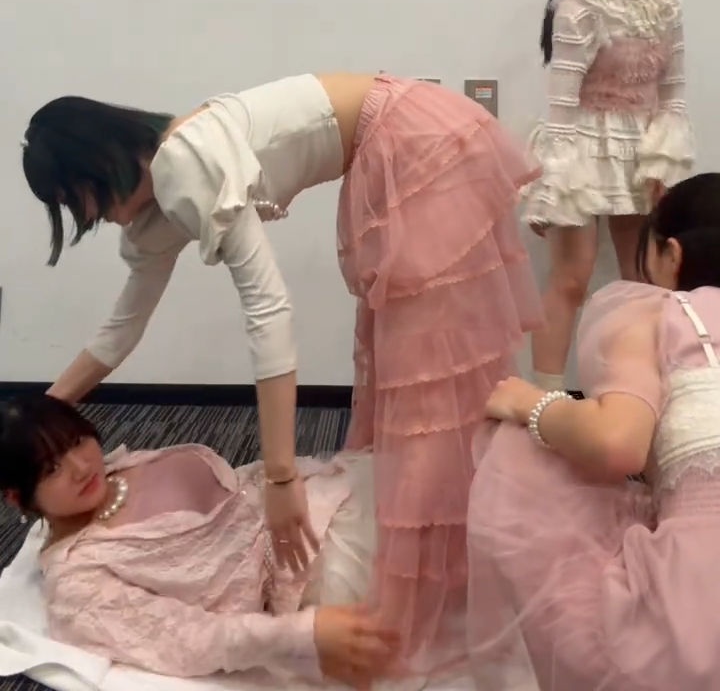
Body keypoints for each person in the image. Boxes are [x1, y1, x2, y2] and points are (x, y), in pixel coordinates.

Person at [22, 72, 543, 664]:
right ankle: (442, 570)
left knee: (428, 374)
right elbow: (121, 329)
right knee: (416, 374)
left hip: (414, 137)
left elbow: (268, 311)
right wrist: (36, 419)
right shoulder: (154, 212)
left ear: (91, 167)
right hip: (393, 144)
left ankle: (438, 592)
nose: (85, 216)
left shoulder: (183, 162)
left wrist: (280, 476)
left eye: (73, 201)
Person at [467, 173, 720, 691]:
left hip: (698, 609)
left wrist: (533, 403)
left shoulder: (662, 315)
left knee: (519, 448)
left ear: (671, 255)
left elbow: (617, 444)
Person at [0, 394, 398, 687]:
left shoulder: (116, 468)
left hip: (318, 491)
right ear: (17, 496)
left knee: (423, 469)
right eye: (51, 469)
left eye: (75, 441)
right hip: (316, 564)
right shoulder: (77, 584)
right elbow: (187, 639)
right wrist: (303, 635)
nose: (80, 466)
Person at [525, 0, 693, 390]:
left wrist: (663, 162)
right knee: (571, 280)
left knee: (642, 279)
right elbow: (561, 107)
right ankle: (543, 403)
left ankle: (633, 393)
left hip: (639, 151)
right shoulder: (578, 2)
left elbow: (673, 92)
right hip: (582, 146)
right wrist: (552, 186)